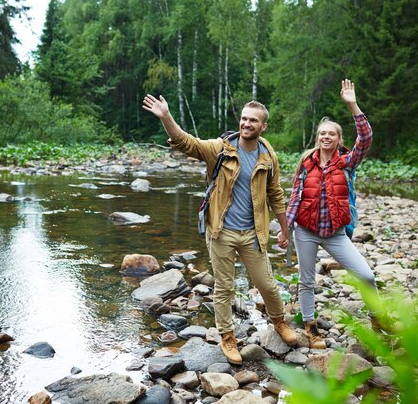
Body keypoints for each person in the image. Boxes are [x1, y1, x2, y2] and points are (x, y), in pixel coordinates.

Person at [142, 94, 297, 365]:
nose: (247, 123)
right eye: (244, 119)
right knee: (224, 287)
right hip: (221, 231)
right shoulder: (220, 148)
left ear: (263, 126)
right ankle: (227, 336)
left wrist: (284, 230)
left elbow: (275, 193)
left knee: (267, 286)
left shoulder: (267, 154)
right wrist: (166, 117)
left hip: (252, 233)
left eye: (253, 120)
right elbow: (185, 142)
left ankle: (279, 322)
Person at [283, 79, 377, 349]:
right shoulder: (306, 163)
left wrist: (352, 105)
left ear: (338, 139)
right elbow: (295, 198)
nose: (326, 137)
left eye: (331, 134)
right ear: (318, 137)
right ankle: (311, 327)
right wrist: (285, 229)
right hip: (306, 232)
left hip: (336, 234)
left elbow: (366, 139)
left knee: (367, 276)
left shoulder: (347, 162)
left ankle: (377, 317)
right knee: (306, 281)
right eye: (322, 133)